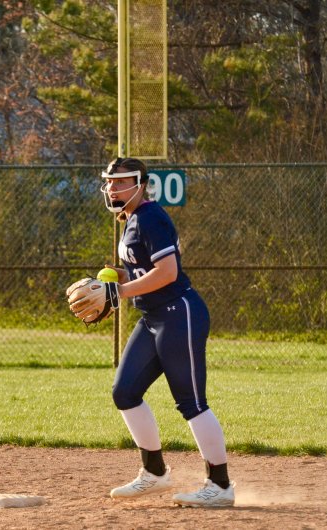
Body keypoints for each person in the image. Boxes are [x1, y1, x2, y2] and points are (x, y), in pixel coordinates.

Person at [99, 157, 235, 507]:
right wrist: (113, 282)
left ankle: (220, 486)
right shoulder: (131, 219)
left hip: (179, 313)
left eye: (121, 181)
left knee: (191, 403)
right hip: (153, 316)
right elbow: (143, 271)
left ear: (140, 183)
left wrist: (121, 292)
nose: (113, 187)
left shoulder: (150, 216)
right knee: (124, 392)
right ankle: (155, 473)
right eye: (110, 181)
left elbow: (168, 272)